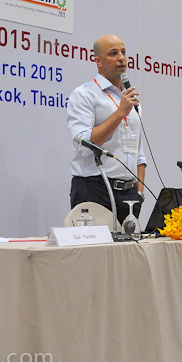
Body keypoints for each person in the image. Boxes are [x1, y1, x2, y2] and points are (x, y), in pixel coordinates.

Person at [67, 34, 146, 224]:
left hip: (129, 195)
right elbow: (84, 144)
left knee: (129, 245)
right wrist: (120, 113)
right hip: (95, 188)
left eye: (123, 52)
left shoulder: (130, 101)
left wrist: (139, 192)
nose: (121, 58)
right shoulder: (84, 95)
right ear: (98, 61)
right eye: (113, 53)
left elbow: (139, 152)